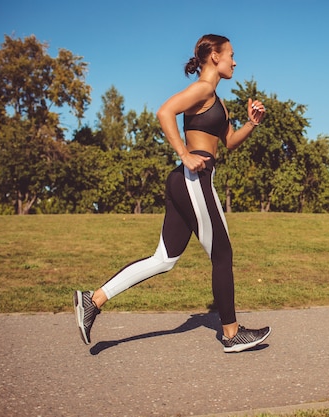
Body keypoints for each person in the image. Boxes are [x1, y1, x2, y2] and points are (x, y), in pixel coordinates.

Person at [73, 34, 271, 353]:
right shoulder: (203, 89)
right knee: (222, 253)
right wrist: (183, 153)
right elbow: (165, 112)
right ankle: (233, 335)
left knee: (164, 259)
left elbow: (230, 142)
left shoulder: (217, 100)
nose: (235, 61)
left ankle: (92, 300)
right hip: (194, 177)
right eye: (231, 55)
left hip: (185, 179)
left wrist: (252, 123)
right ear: (214, 57)